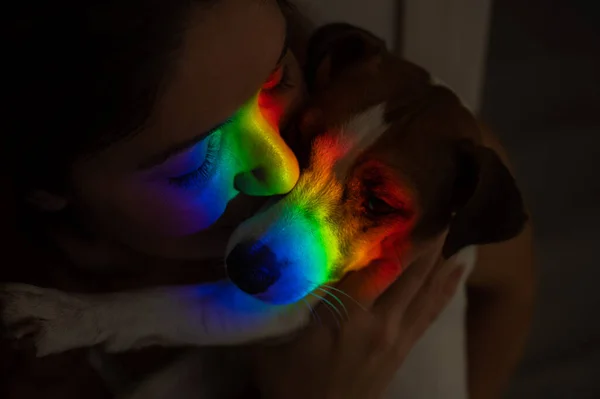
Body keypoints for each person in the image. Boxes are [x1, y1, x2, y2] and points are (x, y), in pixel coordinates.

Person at [1, 1, 534, 398]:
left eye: (276, 78)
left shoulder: (437, 158)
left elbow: (511, 292)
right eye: (196, 161)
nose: (284, 171)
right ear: (49, 188)